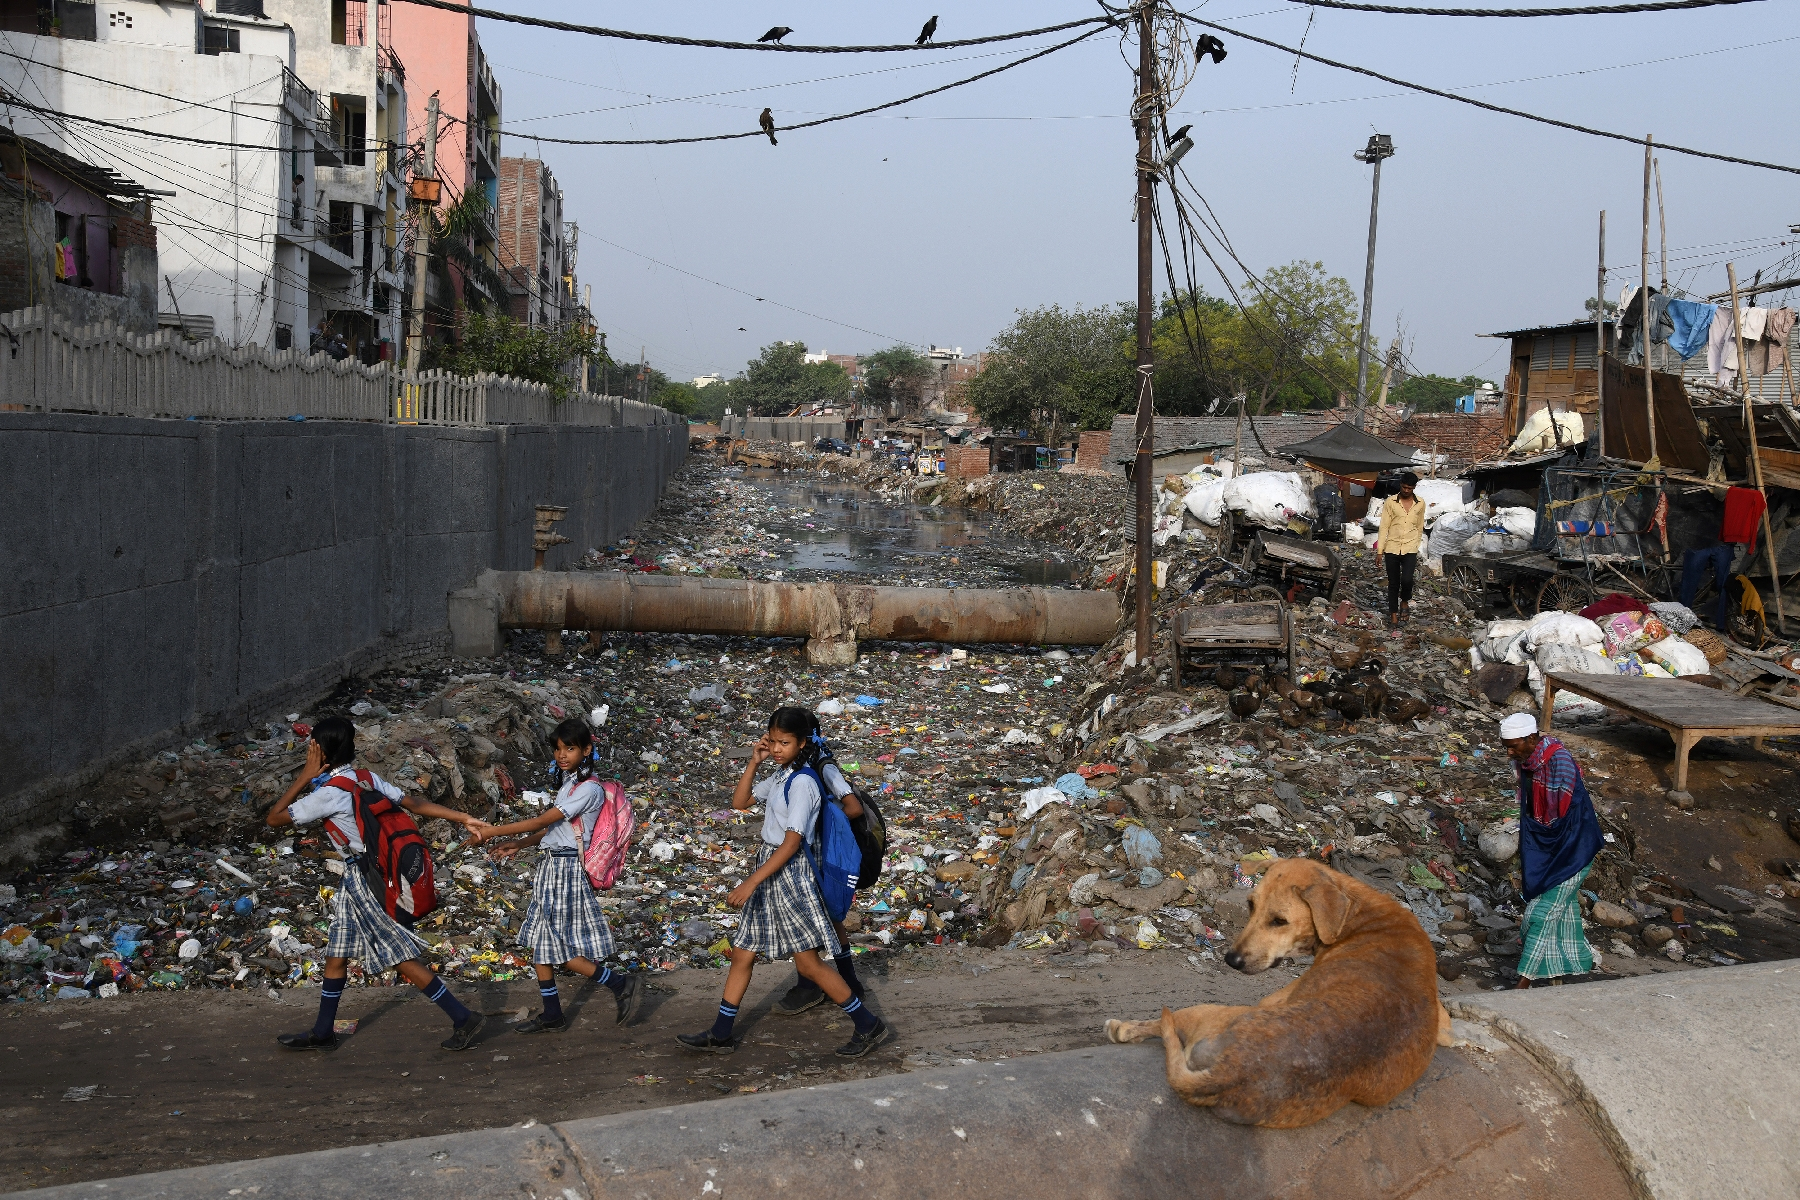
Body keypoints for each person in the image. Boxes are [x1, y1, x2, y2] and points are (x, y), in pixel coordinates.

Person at [678, 706, 889, 1058]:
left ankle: (868, 1024)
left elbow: (792, 843)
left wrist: (749, 883)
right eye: (772, 741)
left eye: (784, 742)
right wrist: (754, 761)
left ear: (802, 742)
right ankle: (721, 1032)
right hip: (770, 866)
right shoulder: (780, 775)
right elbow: (740, 801)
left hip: (788, 873)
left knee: (807, 963)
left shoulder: (805, 781)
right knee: (743, 953)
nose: (776, 748)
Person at [265, 716, 487, 1052]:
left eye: (311, 747)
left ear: (321, 754)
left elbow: (273, 817)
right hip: (364, 876)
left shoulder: (327, 794)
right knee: (337, 955)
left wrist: (304, 777)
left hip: (366, 881)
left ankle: (462, 1017)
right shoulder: (364, 778)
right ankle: (323, 1030)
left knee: (398, 956)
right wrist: (463, 817)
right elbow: (413, 803)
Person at [464, 718, 642, 1033]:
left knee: (555, 947)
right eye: (558, 749)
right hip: (551, 865)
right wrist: (517, 844)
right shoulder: (569, 784)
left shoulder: (588, 789)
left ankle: (618, 983)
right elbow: (553, 828)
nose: (562, 755)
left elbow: (544, 819)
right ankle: (553, 1014)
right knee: (541, 945)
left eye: (570, 748)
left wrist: (492, 831)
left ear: (587, 750)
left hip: (565, 869)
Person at [772, 720, 868, 1016]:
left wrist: (818, 812)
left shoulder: (824, 768)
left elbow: (854, 808)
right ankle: (829, 984)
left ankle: (830, 984)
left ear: (803, 740)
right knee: (823, 918)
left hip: (818, 854)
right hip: (810, 850)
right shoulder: (791, 770)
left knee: (822, 918)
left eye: (785, 741)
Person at [1500, 713, 1604, 988]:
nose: (1510, 752)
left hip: (1574, 847)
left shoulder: (1560, 761)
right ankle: (1567, 968)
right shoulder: (1525, 763)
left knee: (1542, 913)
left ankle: (1525, 978)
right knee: (1563, 910)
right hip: (1547, 846)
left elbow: (1566, 814)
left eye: (1514, 746)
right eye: (1506, 746)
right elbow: (1531, 810)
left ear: (1532, 738)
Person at [1375, 471, 1425, 628]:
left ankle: (1404, 601)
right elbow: (1384, 527)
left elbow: (1419, 526)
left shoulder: (1420, 503)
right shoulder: (1390, 502)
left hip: (1410, 548)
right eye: (1403, 487)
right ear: (1400, 485)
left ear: (1414, 488)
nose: (1406, 491)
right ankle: (1393, 614)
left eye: (1409, 488)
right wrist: (1379, 551)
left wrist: (1416, 544)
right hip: (1392, 548)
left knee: (1407, 580)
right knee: (1393, 583)